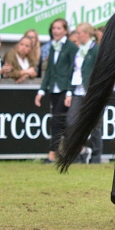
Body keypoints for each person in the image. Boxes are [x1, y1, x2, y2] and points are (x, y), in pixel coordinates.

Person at [35, 19, 78, 164]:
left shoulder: (71, 47)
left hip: (65, 89)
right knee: (63, 122)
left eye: (59, 28)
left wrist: (70, 92)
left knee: (56, 121)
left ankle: (52, 154)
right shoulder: (53, 46)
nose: (56, 31)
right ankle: (80, 149)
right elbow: (49, 71)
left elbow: (74, 69)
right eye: (54, 28)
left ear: (65, 30)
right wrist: (41, 90)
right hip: (54, 88)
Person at [65, 22, 100, 163]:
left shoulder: (96, 49)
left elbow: (100, 71)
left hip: (92, 92)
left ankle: (96, 156)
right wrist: (69, 92)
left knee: (95, 125)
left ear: (86, 34)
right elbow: (74, 71)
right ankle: (78, 152)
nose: (77, 35)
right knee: (71, 121)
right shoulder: (78, 50)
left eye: (79, 33)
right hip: (77, 91)